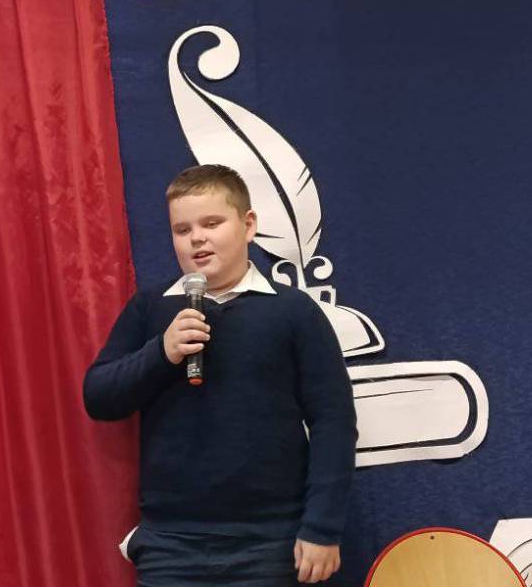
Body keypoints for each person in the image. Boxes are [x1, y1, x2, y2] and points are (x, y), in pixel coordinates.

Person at [84, 165, 356, 585]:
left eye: (212, 223)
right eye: (182, 229)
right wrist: (161, 352)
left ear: (248, 225)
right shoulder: (151, 308)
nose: (197, 238)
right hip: (171, 543)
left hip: (270, 541)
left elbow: (333, 422)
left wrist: (322, 526)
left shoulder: (293, 311)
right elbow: (99, 397)